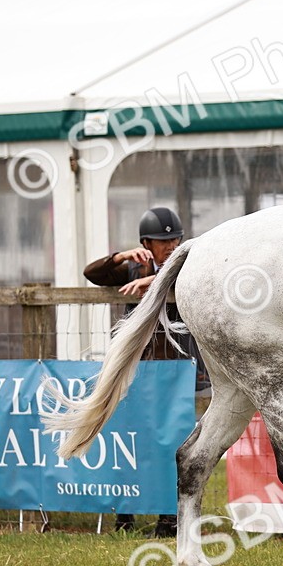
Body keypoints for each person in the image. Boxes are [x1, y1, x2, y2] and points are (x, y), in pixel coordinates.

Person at [83, 206, 209, 536]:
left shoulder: (187, 264)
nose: (170, 245)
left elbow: (201, 277)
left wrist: (160, 279)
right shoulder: (132, 267)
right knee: (132, 440)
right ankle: (125, 512)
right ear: (145, 243)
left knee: (172, 442)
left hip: (176, 369)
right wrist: (121, 257)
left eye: (174, 239)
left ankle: (169, 517)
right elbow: (92, 274)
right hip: (139, 368)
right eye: (161, 240)